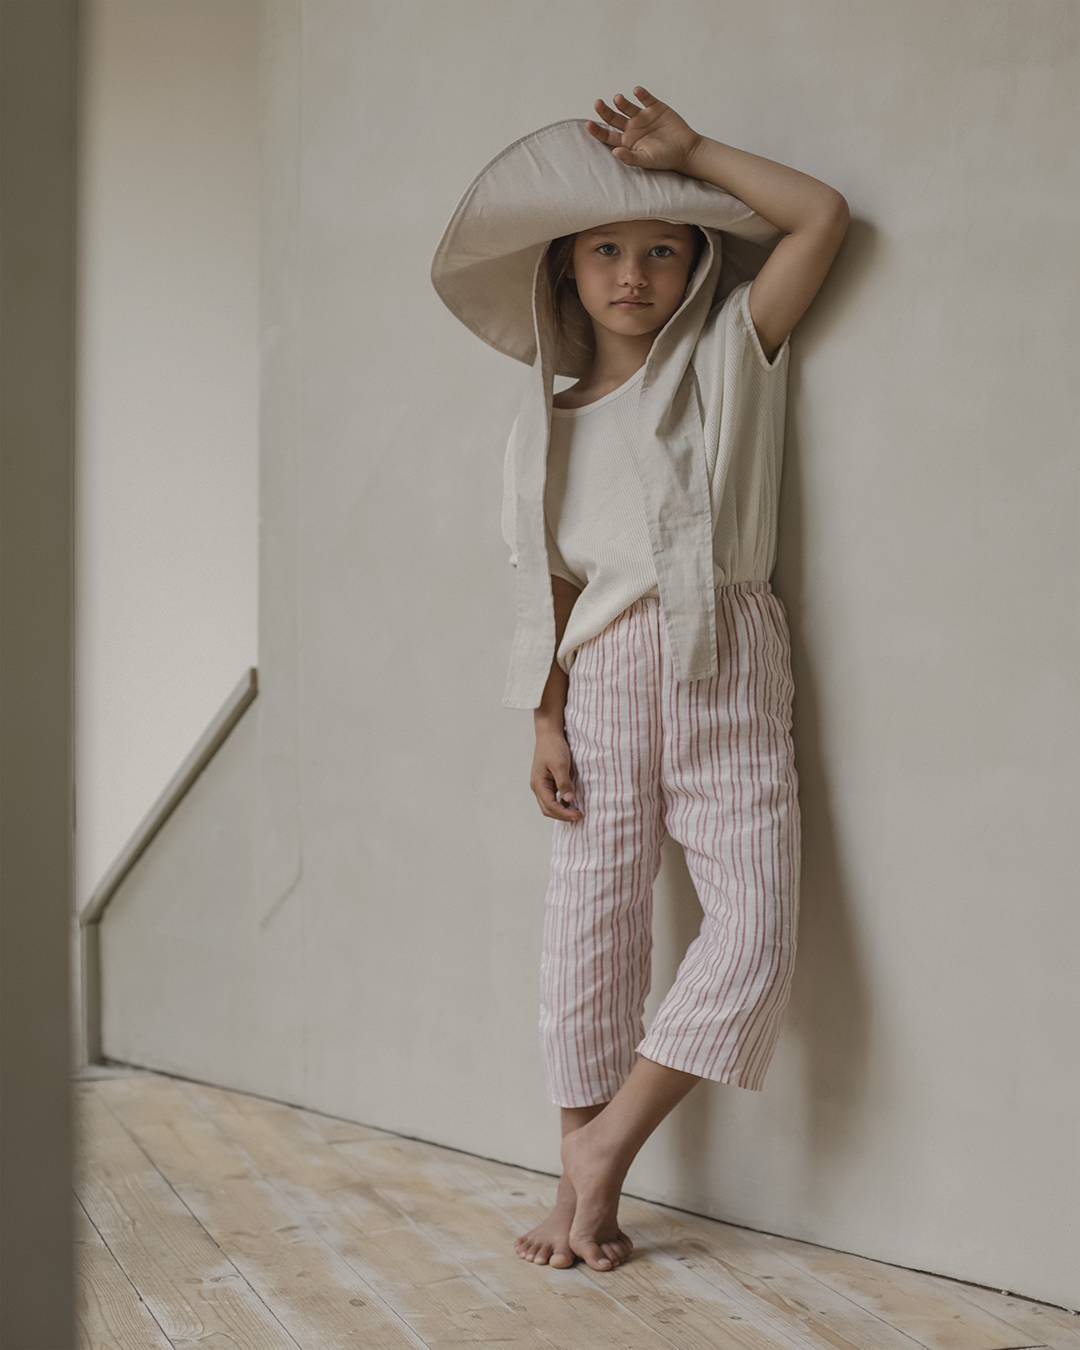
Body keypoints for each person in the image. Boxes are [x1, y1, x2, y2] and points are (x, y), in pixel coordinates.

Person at [431, 87, 848, 1273]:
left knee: (755, 931)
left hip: (727, 650)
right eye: (607, 250)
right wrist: (543, 717)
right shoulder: (547, 422)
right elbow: (549, 584)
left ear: (695, 266)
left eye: (662, 250)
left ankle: (604, 1145)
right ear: (565, 270)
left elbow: (821, 217)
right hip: (602, 677)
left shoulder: (733, 356)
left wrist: (691, 154)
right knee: (591, 927)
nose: (633, 272)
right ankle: (586, 1203)